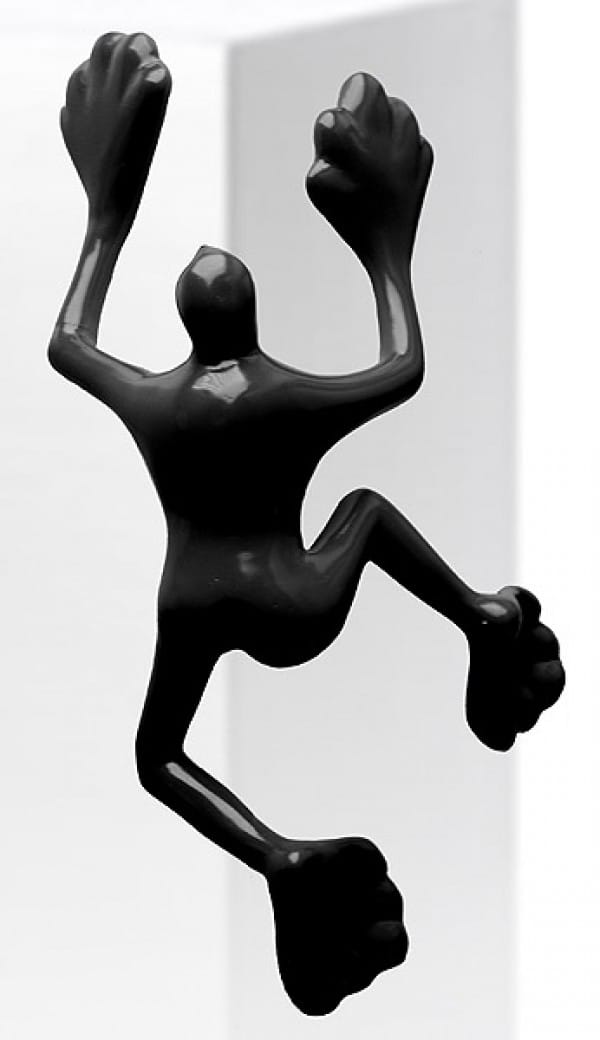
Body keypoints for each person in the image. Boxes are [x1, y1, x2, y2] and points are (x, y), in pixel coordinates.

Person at [49, 33, 565, 1016]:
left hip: (193, 606)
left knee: (158, 758)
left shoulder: (152, 398)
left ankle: (277, 856)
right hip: (297, 605)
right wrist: (386, 252)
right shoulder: (283, 395)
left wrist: (106, 216)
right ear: (250, 314)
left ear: (186, 319)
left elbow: (68, 341)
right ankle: (483, 618)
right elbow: (402, 367)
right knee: (361, 510)